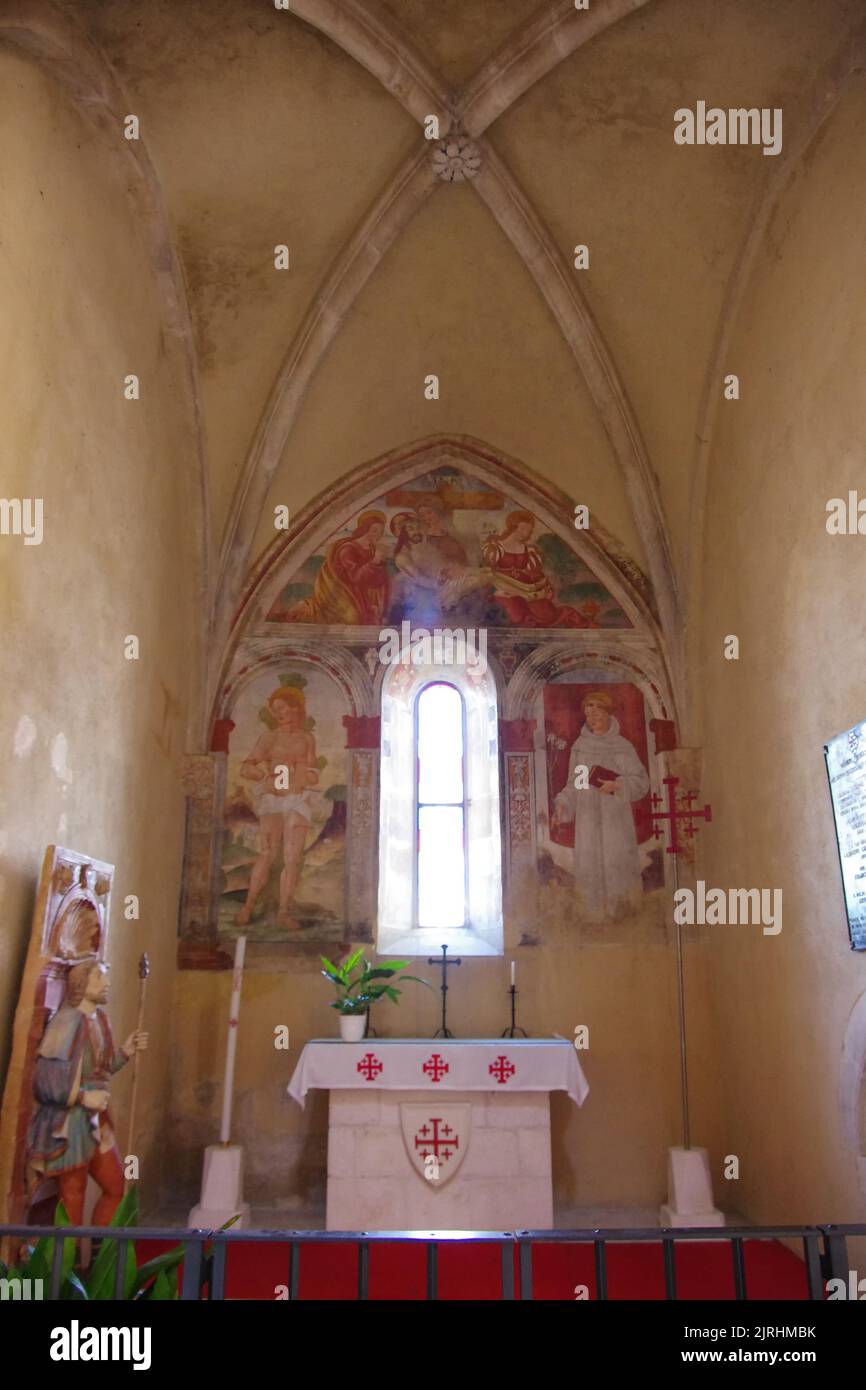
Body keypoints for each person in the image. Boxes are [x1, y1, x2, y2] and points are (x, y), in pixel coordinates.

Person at [29, 958, 147, 1226]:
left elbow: (99, 1070)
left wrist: (125, 1053)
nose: (107, 983)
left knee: (116, 1186)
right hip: (70, 1123)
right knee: (73, 1195)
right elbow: (45, 1082)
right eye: (99, 977)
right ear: (80, 985)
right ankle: (66, 1265)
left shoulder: (100, 1019)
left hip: (96, 1119)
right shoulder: (65, 1022)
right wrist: (83, 1097)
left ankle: (97, 1260)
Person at [551, 691, 649, 917]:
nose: (591, 716)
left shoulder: (622, 746)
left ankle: (623, 914)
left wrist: (617, 785)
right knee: (590, 865)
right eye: (588, 712)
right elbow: (576, 783)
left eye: (596, 711)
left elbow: (641, 782)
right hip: (588, 817)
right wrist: (563, 804)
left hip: (615, 815)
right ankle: (593, 916)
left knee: (618, 861)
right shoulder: (581, 746)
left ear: (608, 712)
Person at [237, 685, 319, 929]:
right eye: (275, 711)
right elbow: (246, 767)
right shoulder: (269, 738)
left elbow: (313, 772)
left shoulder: (307, 739)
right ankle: (248, 906)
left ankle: (283, 912)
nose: (279, 714)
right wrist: (263, 776)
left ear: (296, 708)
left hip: (297, 800)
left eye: (282, 708)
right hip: (273, 800)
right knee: (267, 853)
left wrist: (307, 777)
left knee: (292, 858)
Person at [482, 511, 599, 627]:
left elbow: (535, 574)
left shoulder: (529, 551)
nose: (525, 533)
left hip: (527, 590)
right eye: (522, 528)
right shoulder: (496, 548)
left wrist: (546, 587)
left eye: (528, 530)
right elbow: (488, 571)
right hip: (504, 590)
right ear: (513, 526)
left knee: (546, 612)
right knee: (518, 609)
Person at [287, 510, 389, 624]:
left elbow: (377, 578)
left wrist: (378, 565)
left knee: (368, 619)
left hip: (360, 593)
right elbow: (355, 577)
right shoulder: (348, 549)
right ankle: (308, 608)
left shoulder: (372, 549)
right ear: (365, 529)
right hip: (341, 590)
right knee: (351, 619)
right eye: (374, 530)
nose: (378, 534)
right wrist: (374, 562)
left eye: (381, 532)